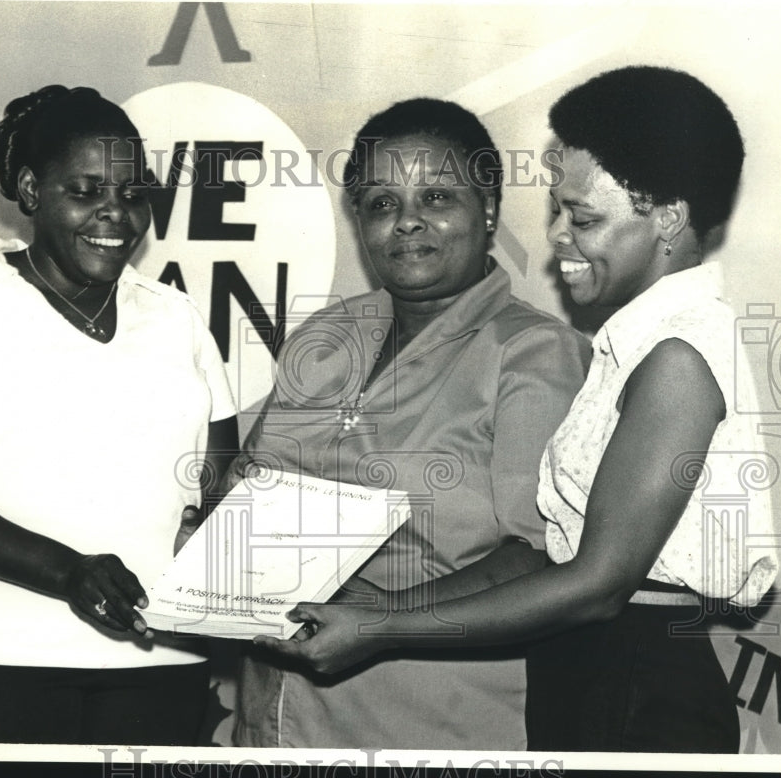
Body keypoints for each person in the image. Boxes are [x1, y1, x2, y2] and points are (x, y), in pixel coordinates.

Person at [254, 67, 780, 753]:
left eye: (582, 217)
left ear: (668, 218)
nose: (557, 235)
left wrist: (381, 622)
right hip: (588, 675)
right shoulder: (635, 343)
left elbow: (593, 582)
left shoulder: (675, 354)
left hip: (634, 684)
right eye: (558, 211)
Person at [0, 85, 238, 744]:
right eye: (87, 192)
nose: (115, 215)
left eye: (132, 194)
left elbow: (220, 475)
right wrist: (69, 572)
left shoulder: (175, 316)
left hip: (156, 668)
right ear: (32, 191)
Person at [223, 98, 591, 749]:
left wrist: (381, 620)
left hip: (431, 727)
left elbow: (540, 558)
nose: (408, 223)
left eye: (438, 197)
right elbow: (248, 498)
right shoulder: (329, 334)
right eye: (382, 203)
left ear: (488, 211)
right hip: (272, 721)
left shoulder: (534, 354)